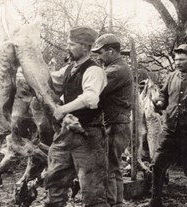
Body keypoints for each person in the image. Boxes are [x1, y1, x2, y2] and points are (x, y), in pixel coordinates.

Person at [44, 26, 110, 207]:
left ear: (86, 47)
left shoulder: (94, 71)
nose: (68, 48)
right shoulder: (68, 70)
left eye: (72, 44)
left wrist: (62, 109)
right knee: (54, 183)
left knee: (92, 192)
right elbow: (51, 81)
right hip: (65, 135)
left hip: (88, 136)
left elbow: (90, 98)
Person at [149, 44, 187, 207]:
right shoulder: (172, 76)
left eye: (182, 59)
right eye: (176, 59)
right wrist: (159, 101)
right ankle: (155, 200)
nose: (177, 62)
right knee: (157, 164)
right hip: (170, 129)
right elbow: (164, 95)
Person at [91, 33, 133, 207]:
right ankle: (117, 202)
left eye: (100, 53)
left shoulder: (116, 70)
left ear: (110, 51)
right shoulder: (118, 67)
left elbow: (95, 88)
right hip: (117, 122)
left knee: (107, 166)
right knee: (113, 166)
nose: (98, 57)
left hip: (115, 124)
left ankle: (111, 202)